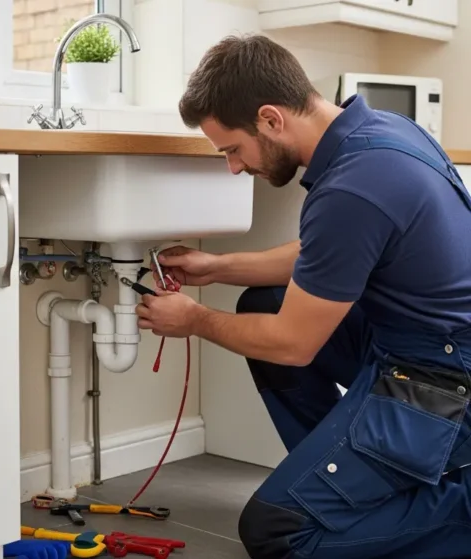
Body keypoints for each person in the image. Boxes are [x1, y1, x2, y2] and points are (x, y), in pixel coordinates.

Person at [137, 34, 471, 558]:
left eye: (231, 149)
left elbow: (294, 346)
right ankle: (349, 476)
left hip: (444, 379)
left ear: (270, 119)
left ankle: (456, 507)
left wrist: (195, 319)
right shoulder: (384, 131)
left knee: (278, 533)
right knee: (263, 301)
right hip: (411, 344)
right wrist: (218, 267)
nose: (233, 166)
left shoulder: (352, 186)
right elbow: (327, 253)